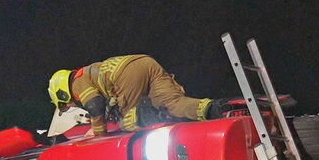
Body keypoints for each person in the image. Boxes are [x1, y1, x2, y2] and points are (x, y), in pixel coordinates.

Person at [47, 55, 224, 132]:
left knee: (127, 122)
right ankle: (213, 109)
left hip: (125, 75)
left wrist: (98, 135)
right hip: (147, 63)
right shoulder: (89, 74)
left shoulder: (77, 82)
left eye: (65, 104)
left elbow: (95, 105)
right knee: (173, 104)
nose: (69, 106)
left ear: (62, 92)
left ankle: (152, 115)